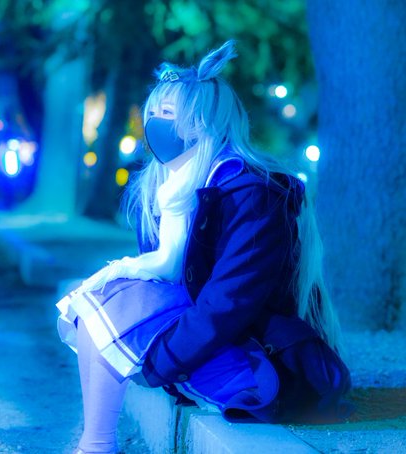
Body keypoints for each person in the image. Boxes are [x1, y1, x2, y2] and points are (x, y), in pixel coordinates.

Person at [56, 40, 352, 454]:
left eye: (168, 114)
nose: (155, 123)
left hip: (264, 364)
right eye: (153, 112)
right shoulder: (173, 184)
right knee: (103, 301)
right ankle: (97, 444)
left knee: (115, 306)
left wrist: (162, 362)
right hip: (218, 344)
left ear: (202, 123)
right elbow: (171, 281)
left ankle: (97, 447)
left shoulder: (252, 194)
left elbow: (230, 301)